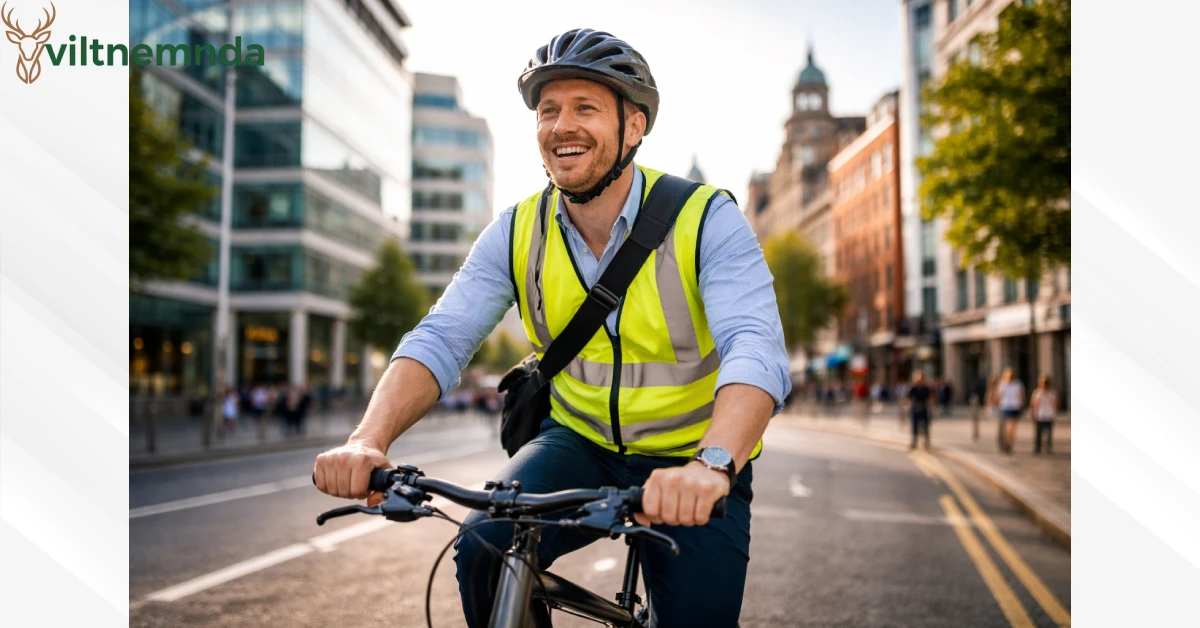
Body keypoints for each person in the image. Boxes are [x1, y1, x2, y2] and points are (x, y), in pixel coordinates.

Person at [312, 29, 790, 628]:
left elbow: (756, 349)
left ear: (634, 127)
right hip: (578, 444)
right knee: (484, 544)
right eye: (548, 111)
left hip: (691, 455)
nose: (562, 126)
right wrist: (367, 439)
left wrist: (714, 465)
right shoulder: (516, 231)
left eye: (585, 108)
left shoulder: (706, 218)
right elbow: (441, 337)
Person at [997, 367, 1026, 454]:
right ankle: (1010, 441)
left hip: (1006, 406)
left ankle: (1008, 441)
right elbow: (1022, 396)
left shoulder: (1003, 384)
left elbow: (999, 396)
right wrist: (1022, 404)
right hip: (1015, 406)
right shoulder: (1018, 384)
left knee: (1008, 426)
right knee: (1013, 426)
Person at [1030, 374, 1059, 454]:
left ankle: (1038, 447)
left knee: (1039, 432)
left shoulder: (1037, 392)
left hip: (1040, 414)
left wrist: (1033, 412)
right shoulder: (1053, 392)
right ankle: (1048, 447)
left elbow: (1034, 404)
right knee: (1049, 432)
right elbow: (1056, 404)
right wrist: (1055, 412)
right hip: (1049, 414)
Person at [907, 371, 933, 450]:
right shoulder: (913, 388)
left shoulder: (926, 388)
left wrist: (930, 405)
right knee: (914, 426)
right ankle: (914, 442)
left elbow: (930, 397)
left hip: (924, 408)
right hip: (915, 408)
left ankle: (926, 442)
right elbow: (909, 397)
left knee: (925, 426)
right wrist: (911, 404)